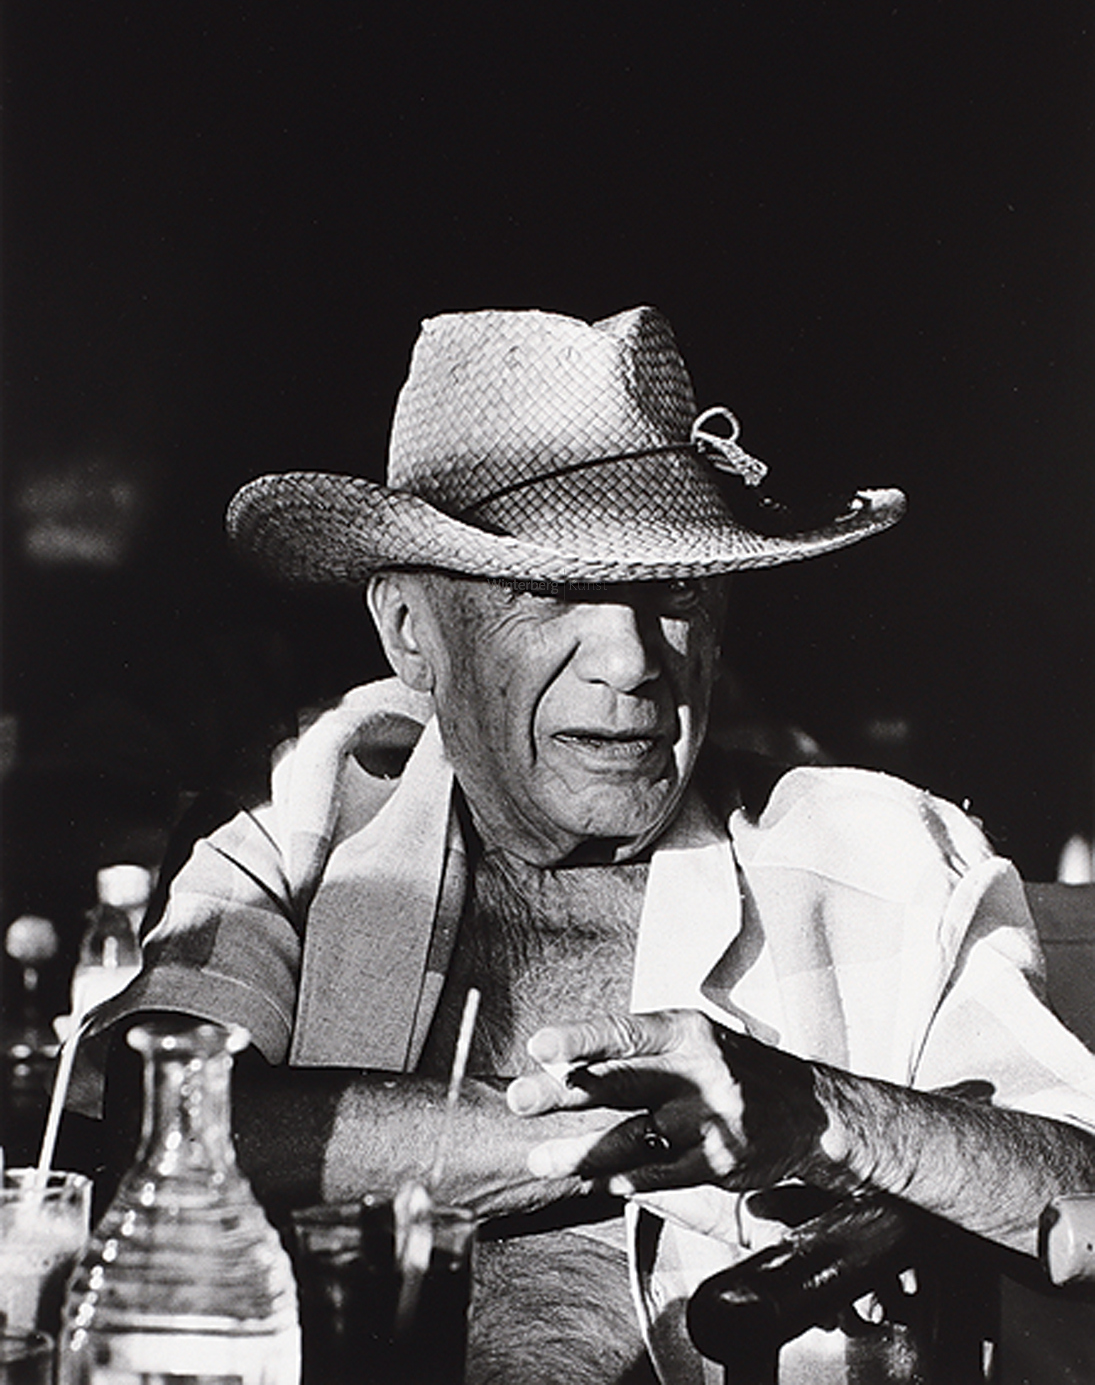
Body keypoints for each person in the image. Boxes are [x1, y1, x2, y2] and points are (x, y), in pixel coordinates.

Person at [76, 307, 1095, 1384]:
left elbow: (1084, 1189)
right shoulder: (313, 813)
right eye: (551, 587)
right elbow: (154, 1122)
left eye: (675, 593)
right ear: (412, 634)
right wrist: (629, 1135)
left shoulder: (877, 854)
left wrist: (818, 1112)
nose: (630, 659)